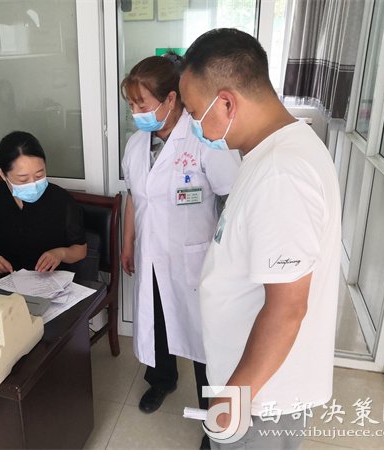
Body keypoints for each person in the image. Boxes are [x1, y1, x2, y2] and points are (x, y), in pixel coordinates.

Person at [179, 29, 341, 449]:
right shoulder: (273, 151)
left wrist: (235, 396)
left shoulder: (280, 174)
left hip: (263, 397)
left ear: (227, 102)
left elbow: (287, 308)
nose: (194, 125)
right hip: (249, 380)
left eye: (194, 112)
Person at [120, 53, 240, 425]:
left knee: (205, 338)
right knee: (157, 320)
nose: (135, 112)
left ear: (171, 99)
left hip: (195, 260)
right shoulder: (135, 145)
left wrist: (230, 259)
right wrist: (128, 243)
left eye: (142, 104)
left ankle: (212, 413)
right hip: (151, 254)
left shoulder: (205, 140)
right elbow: (134, 197)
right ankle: (162, 380)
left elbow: (232, 200)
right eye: (131, 105)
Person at [0, 131, 87, 276]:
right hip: (8, 278)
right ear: (2, 174)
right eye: (23, 179)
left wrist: (61, 253)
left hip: (53, 279)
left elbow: (80, 250)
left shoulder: (61, 199)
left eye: (39, 175)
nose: (33, 184)